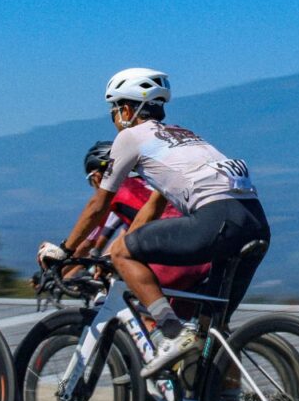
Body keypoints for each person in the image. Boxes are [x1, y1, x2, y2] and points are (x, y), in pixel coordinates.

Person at [38, 68, 269, 377]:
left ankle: (167, 333)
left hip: (216, 219)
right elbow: (153, 205)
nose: (115, 118)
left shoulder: (130, 137)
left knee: (121, 252)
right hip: (255, 223)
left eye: (115, 110)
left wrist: (65, 251)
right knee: (211, 327)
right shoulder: (184, 136)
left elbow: (99, 205)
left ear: (128, 108)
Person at [75, 140, 212, 312]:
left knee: (136, 312)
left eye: (91, 181)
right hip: (203, 256)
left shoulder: (113, 194)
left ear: (97, 176)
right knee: (185, 329)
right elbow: (126, 236)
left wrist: (60, 269)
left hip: (171, 261)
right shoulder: (151, 185)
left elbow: (86, 243)